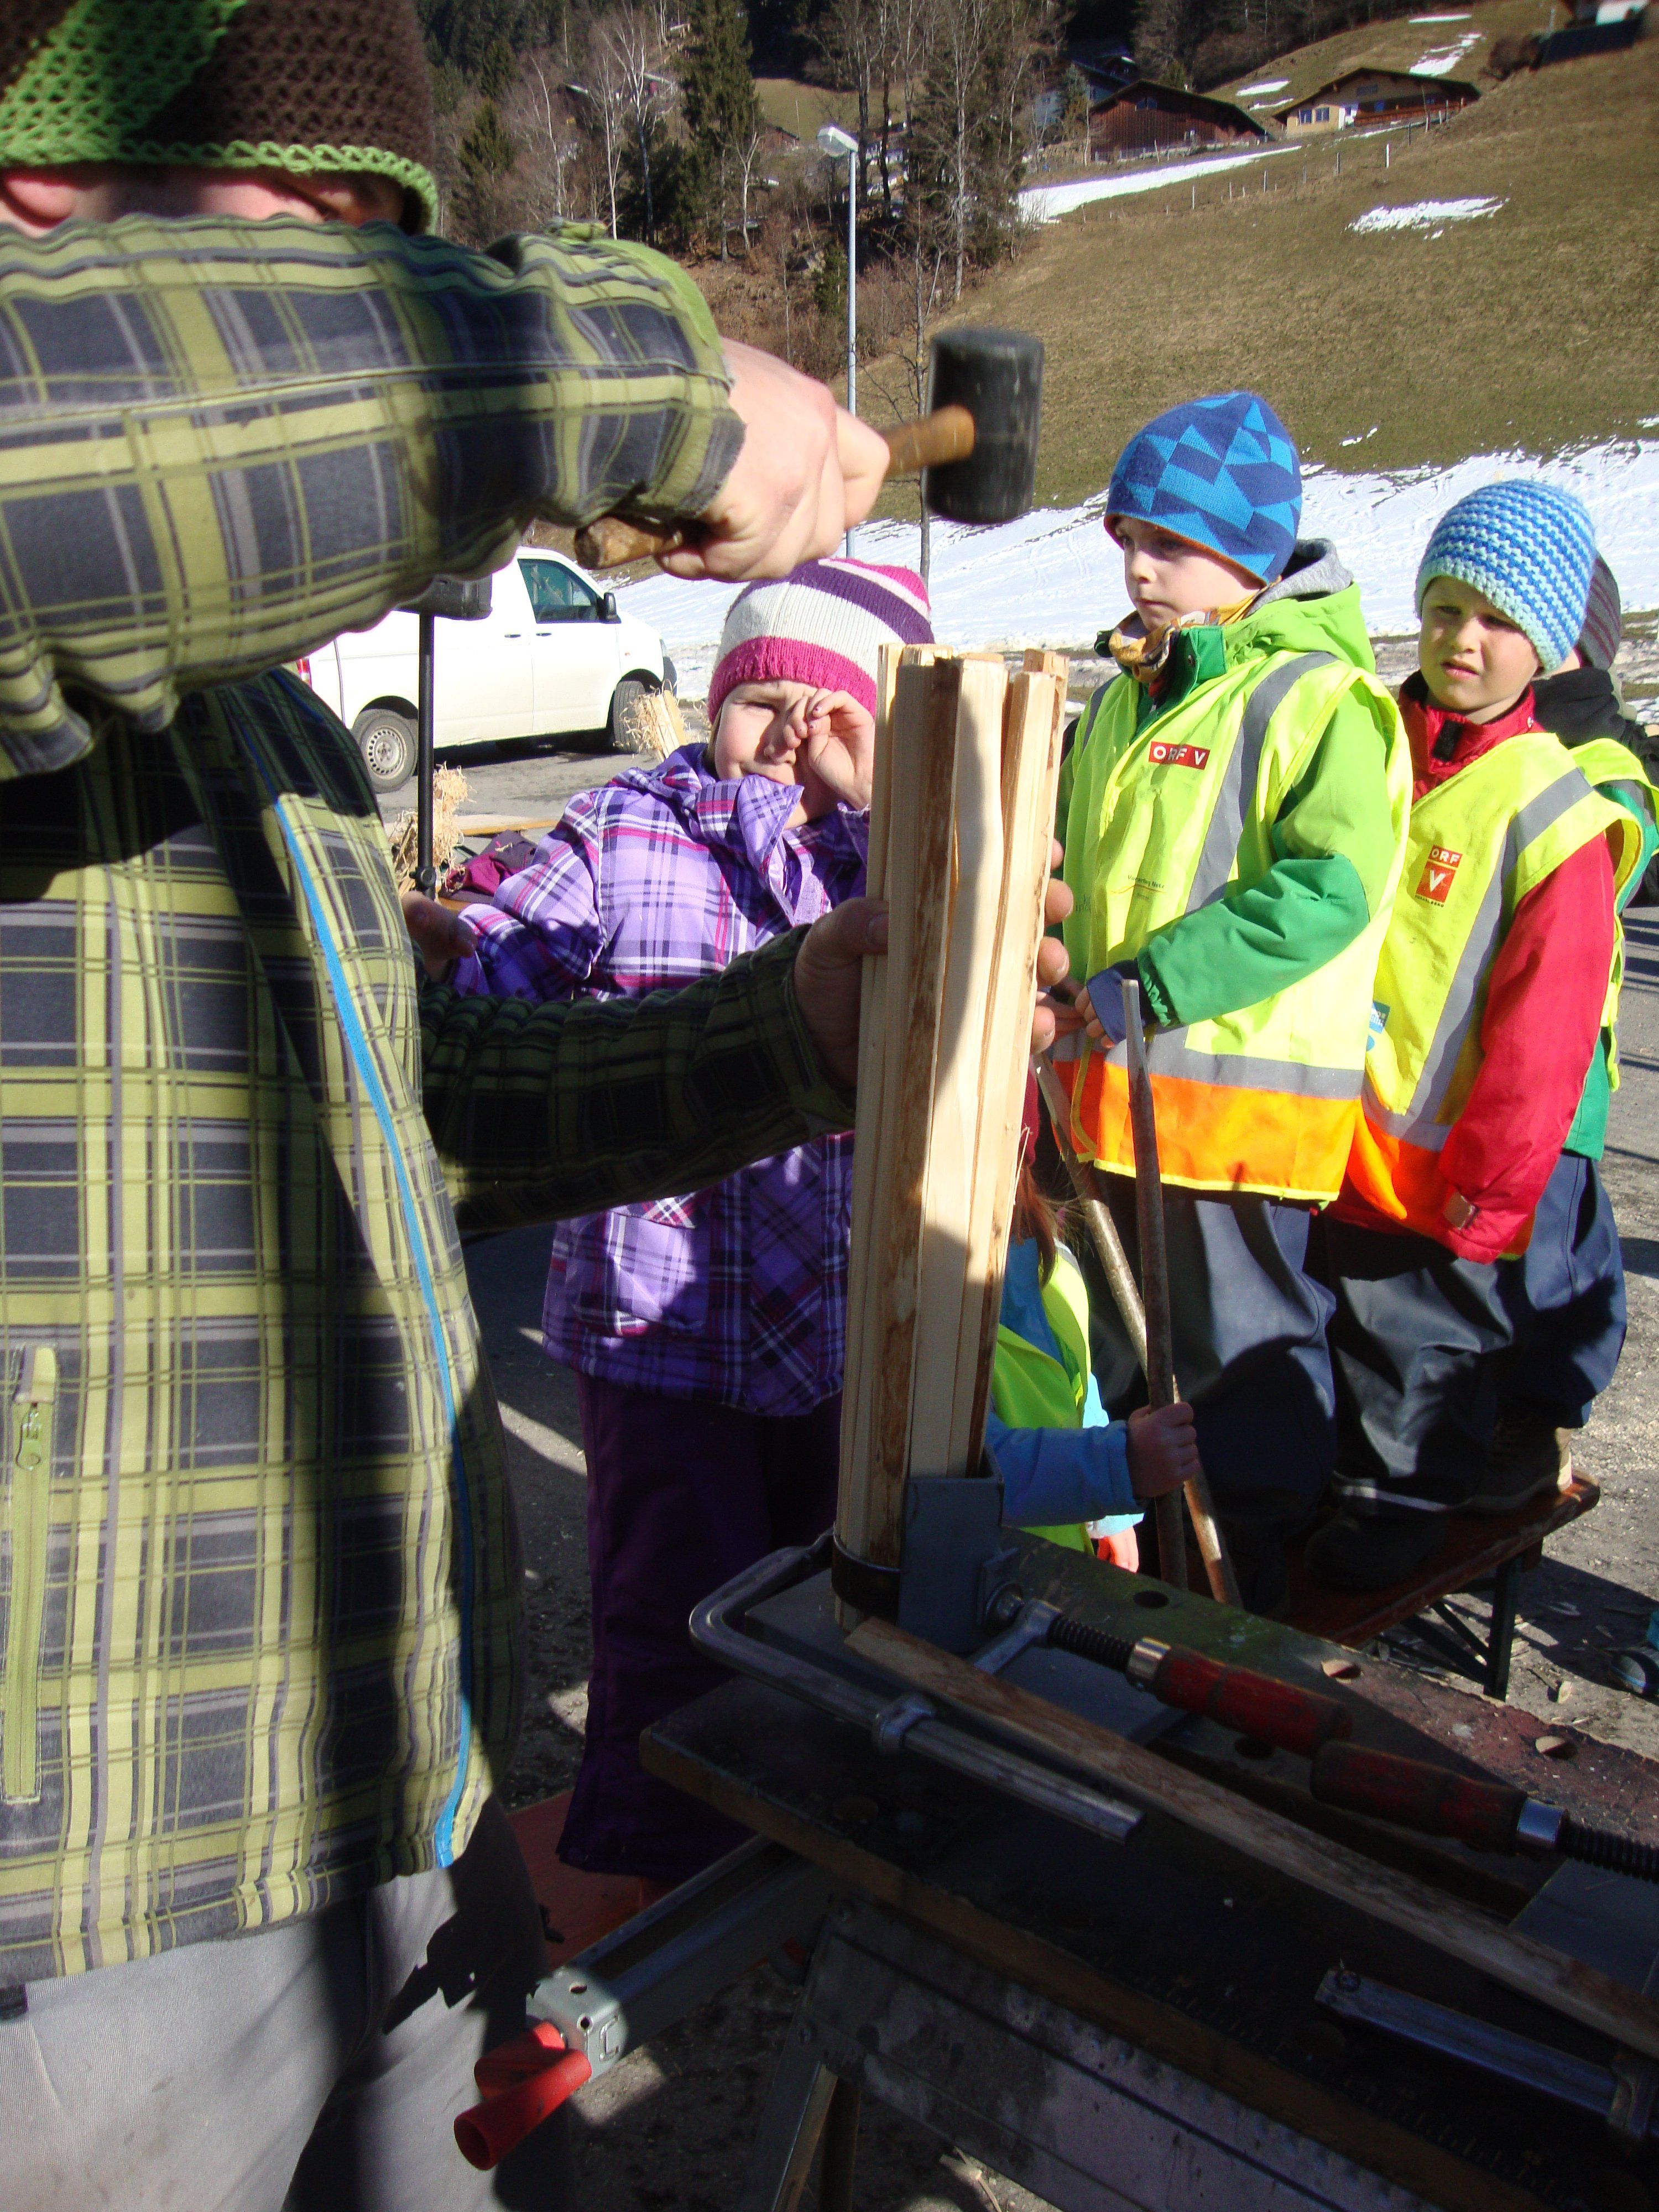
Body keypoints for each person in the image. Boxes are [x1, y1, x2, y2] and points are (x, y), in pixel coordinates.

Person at [0, 11, 1074, 2206]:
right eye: (327, 234)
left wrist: (800, 1027)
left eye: (406, 249)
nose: (366, 294)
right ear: (47, 181)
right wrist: (627, 376)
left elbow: (425, 1108)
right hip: (71, 1904)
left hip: (376, 1802)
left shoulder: (258, 730)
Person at [449, 559, 935, 1886]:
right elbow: (511, 945)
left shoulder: (882, 856)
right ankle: (659, 1852)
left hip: (829, 1322)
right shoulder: (627, 827)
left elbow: (962, 940)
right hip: (659, 1326)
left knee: (819, 1588)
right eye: (760, 701)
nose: (787, 736)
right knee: (668, 1598)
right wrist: (458, 951)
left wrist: (887, 798)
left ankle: (790, 1817)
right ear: (709, 706)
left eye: (829, 715)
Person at [1056, 391, 1410, 1610]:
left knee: (1240, 1371)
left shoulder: (1317, 700)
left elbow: (1330, 888)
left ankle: (1257, 1595)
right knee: (1125, 1354)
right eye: (1128, 539)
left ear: (1250, 555)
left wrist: (1154, 981)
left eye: (1170, 543)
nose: (1139, 568)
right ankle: (1153, 1572)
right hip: (1114, 1102)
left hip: (1238, 1124)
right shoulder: (1120, 697)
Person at [1310, 486, 1643, 1591]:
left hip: (1438, 1179)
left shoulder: (1552, 808)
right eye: (1447, 609)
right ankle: (1335, 1515)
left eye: (1499, 621)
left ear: (1546, 645)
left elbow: (1545, 1041)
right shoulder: (1371, 746)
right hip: (1328, 1145)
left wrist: (1491, 1193)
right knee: (1332, 1360)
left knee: (1414, 1379)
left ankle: (1391, 1539)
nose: (1464, 639)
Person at [1489, 556, 1659, 1488]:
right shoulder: (1482, 735)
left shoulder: (1599, 765)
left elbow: (1598, 891)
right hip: (1459, 1060)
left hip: (1554, 1075)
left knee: (1548, 1258)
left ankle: (1533, 1431)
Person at [988, 1091, 1198, 1561]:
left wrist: (1110, 1517)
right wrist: (1121, 1466)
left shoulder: (1053, 1268)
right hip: (988, 1580)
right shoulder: (928, 1312)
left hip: (1061, 1566)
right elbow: (973, 1474)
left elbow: (1079, 1394)